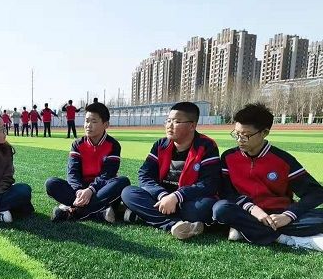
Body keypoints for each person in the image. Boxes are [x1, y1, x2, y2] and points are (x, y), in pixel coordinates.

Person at [213, 103, 323, 251]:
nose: (239, 140)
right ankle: (283, 238)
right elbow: (226, 192)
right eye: (236, 134)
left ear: (264, 133)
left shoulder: (283, 160)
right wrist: (252, 208)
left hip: (279, 214)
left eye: (246, 135)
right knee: (220, 209)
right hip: (247, 212)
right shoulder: (228, 157)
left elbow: (316, 193)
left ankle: (245, 230)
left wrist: (288, 215)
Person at [121, 102, 220, 240]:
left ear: (192, 126)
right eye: (168, 120)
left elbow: (209, 183)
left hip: (188, 200)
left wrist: (176, 196)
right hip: (161, 198)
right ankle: (175, 225)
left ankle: (143, 215)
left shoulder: (206, 146)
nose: (169, 125)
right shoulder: (161, 144)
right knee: (128, 193)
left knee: (203, 208)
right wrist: (163, 196)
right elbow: (145, 175)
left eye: (176, 121)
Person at [45, 102, 129, 223]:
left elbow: (107, 175)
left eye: (93, 121)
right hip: (79, 190)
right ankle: (99, 213)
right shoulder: (77, 144)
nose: (88, 125)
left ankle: (73, 212)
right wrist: (79, 191)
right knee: (51, 183)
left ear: (106, 124)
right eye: (86, 121)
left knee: (123, 182)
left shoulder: (113, 145)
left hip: (101, 189)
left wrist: (91, 190)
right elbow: (72, 173)